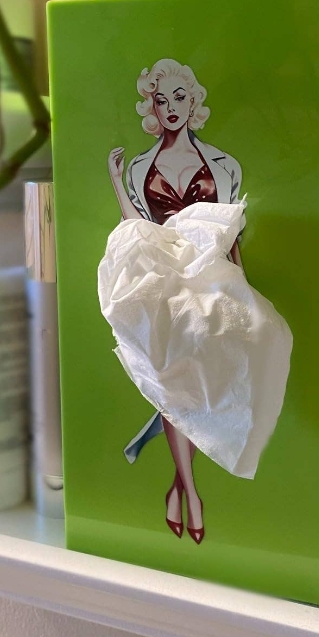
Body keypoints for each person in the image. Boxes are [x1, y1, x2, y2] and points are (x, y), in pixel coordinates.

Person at [106, 58, 242, 544]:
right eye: (160, 100)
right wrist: (118, 182)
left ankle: (181, 490)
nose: (170, 108)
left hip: (210, 287)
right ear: (151, 106)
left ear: (194, 101)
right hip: (162, 286)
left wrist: (237, 293)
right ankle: (192, 494)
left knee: (195, 387)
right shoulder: (141, 167)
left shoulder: (223, 164)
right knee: (170, 385)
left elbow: (230, 231)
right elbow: (136, 231)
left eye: (179, 97)